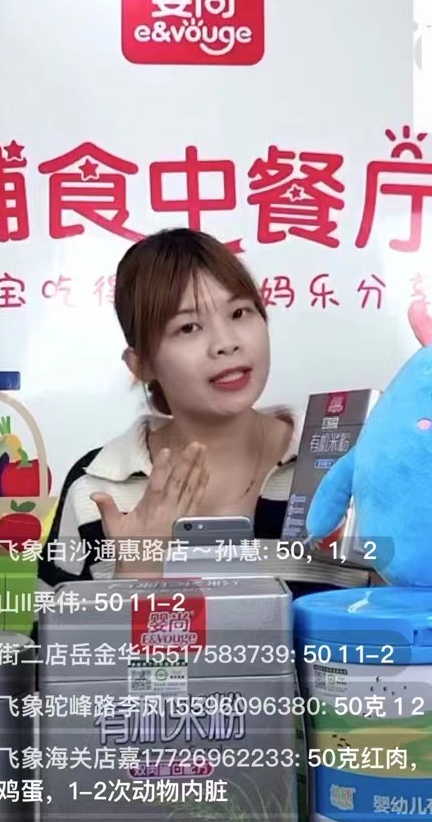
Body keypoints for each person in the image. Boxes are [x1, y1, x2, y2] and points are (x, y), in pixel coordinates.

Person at [39, 228, 371, 596]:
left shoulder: (346, 463)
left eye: (239, 312)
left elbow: (400, 610)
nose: (226, 343)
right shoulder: (95, 486)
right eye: (188, 327)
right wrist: (137, 570)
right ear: (142, 364)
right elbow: (50, 632)